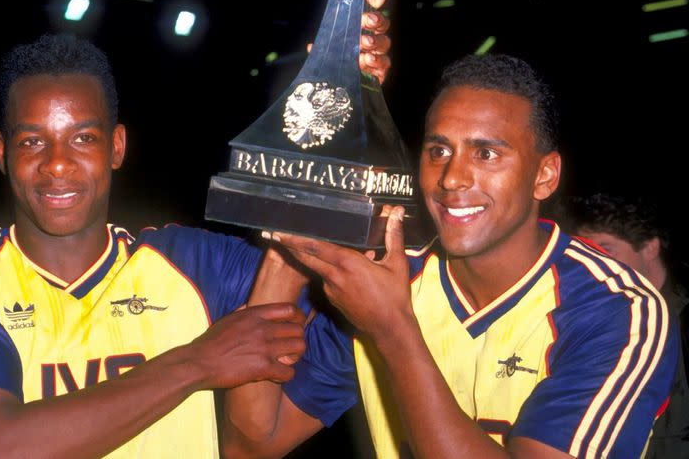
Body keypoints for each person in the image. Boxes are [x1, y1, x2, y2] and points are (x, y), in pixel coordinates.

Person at [0, 0, 393, 459]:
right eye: (32, 142)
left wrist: (335, 113)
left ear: (115, 147)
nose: (56, 164)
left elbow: (333, 281)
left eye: (82, 138)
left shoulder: (196, 266)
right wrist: (196, 362)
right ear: (0, 152)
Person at [222, 54, 679, 459]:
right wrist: (286, 250)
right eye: (438, 150)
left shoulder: (618, 309)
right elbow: (252, 443)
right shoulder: (390, 278)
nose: (452, 177)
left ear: (544, 176)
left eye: (485, 153)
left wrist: (393, 329)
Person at [565, 193, 688, 458]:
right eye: (584, 250)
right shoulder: (586, 313)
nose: (593, 261)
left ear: (650, 248)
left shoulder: (680, 321)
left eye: (606, 249)